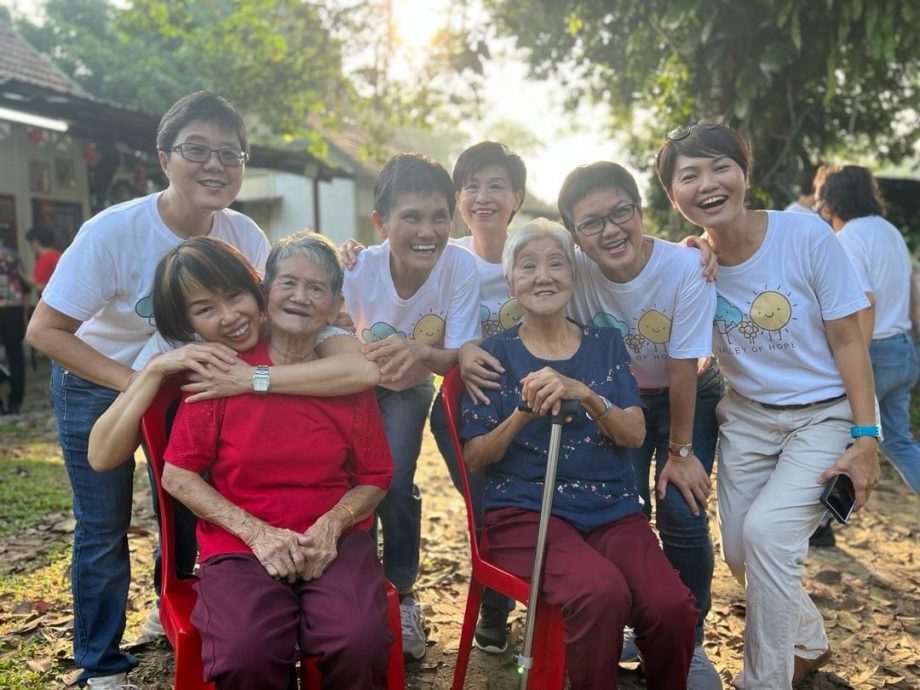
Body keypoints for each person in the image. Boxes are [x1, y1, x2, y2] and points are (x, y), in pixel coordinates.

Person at [25, 92, 361, 689]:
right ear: (164, 159)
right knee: (103, 525)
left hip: (197, 373)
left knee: (182, 499)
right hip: (99, 374)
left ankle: (172, 600)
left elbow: (277, 310)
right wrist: (145, 381)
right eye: (197, 150)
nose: (215, 165)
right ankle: (100, 662)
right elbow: (45, 331)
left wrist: (334, 321)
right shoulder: (113, 232)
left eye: (230, 154)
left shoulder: (242, 232)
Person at [655, 122, 881, 688]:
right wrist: (689, 260)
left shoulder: (804, 236)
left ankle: (764, 680)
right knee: (740, 552)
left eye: (721, 168)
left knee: (768, 536)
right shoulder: (692, 265)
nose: (708, 184)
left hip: (823, 414)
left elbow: (848, 339)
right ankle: (808, 638)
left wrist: (867, 437)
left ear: (744, 173)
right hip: (748, 417)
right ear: (673, 196)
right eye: (690, 175)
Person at [459, 219, 697, 689]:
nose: (542, 276)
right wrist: (522, 413)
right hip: (526, 513)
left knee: (672, 607)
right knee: (600, 593)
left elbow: (634, 433)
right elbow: (475, 455)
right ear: (511, 281)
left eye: (555, 263)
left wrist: (585, 394)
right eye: (528, 266)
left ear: (573, 274)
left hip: (611, 510)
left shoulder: (605, 344)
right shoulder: (493, 356)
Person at [157, 232, 394, 689]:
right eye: (288, 282)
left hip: (333, 541)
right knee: (246, 652)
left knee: (358, 640)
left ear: (335, 305)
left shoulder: (342, 379)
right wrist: (256, 533)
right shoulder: (224, 371)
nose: (300, 297)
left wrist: (331, 525)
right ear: (266, 291)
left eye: (316, 288)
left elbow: (376, 476)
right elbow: (178, 474)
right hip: (241, 544)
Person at [556, 161, 722, 689]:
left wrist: (681, 452)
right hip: (618, 400)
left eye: (620, 213)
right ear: (575, 236)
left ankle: (690, 640)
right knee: (622, 513)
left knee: (682, 508)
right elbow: (498, 264)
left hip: (685, 394)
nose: (610, 230)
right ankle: (642, 623)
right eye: (591, 223)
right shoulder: (572, 270)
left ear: (641, 210)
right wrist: (360, 260)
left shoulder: (685, 268)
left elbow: (683, 365)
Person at [341, 152, 481, 660]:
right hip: (351, 387)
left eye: (439, 217)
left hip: (410, 386)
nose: (428, 231)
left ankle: (401, 592)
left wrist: (419, 352)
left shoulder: (459, 267)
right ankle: (350, 586)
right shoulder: (355, 268)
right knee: (346, 480)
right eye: (412, 218)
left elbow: (459, 355)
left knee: (394, 481)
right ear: (381, 223)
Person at [430, 141, 525, 653]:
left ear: (517, 197)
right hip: (467, 404)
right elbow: (385, 262)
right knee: (487, 505)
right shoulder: (444, 257)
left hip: (532, 400)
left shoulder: (539, 248)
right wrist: (351, 253)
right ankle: (495, 600)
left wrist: (695, 245)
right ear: (458, 198)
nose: (482, 197)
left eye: (496, 186)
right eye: (471, 186)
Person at [814, 164, 919, 494]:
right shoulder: (890, 231)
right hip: (903, 348)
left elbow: (865, 303)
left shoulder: (848, 238)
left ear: (831, 200)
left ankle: (822, 515)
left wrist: (853, 357)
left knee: (834, 436)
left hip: (874, 353)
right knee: (898, 441)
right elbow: (911, 292)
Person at [0, 234, 25, 415]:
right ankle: (15, 401)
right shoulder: (14, 256)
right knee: (16, 356)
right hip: (13, 309)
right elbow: (24, 285)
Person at [20, 225, 62, 296]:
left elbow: (40, 285)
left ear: (35, 242)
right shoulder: (58, 254)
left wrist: (21, 274)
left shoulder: (45, 259)